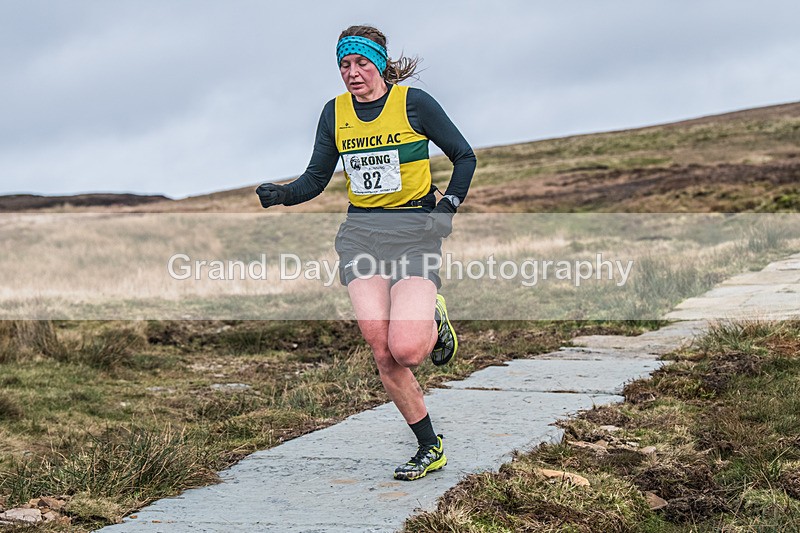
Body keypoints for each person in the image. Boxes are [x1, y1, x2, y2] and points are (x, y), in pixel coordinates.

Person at [256, 25, 476, 481]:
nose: (352, 73)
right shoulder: (334, 113)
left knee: (408, 351)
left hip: (415, 233)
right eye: (344, 65)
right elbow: (316, 179)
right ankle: (429, 446)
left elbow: (464, 155)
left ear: (379, 63)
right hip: (362, 236)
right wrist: (281, 195)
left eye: (360, 63)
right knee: (382, 350)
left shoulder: (413, 103)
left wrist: (449, 206)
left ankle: (433, 313)